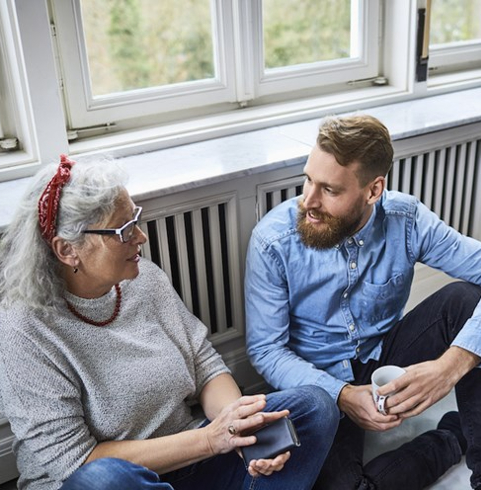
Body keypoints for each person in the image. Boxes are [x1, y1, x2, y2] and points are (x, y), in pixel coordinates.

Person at [0, 155, 340, 490]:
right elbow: (74, 463)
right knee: (106, 479)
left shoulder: (141, 278)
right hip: (110, 480)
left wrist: (239, 429)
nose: (140, 237)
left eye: (134, 218)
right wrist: (211, 439)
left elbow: (205, 367)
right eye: (123, 230)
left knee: (315, 407)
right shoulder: (22, 330)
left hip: (187, 459)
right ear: (67, 250)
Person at [245, 114, 481, 490]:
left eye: (329, 190)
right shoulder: (273, 241)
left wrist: (450, 368)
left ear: (373, 191)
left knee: (468, 301)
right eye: (308, 179)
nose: (307, 201)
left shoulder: (406, 220)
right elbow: (266, 350)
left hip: (383, 355)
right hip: (317, 383)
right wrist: (341, 396)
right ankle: (452, 437)